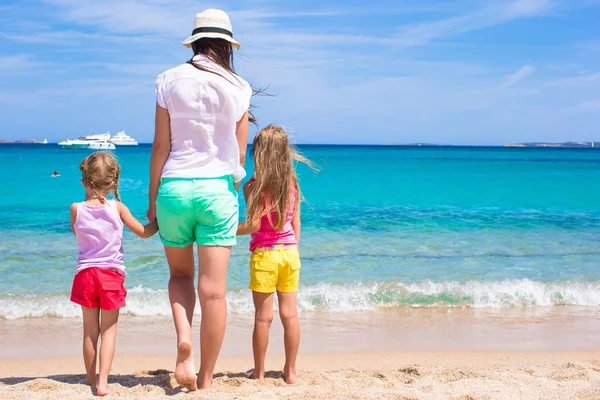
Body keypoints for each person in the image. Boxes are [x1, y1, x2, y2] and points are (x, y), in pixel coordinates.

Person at [147, 9, 252, 390]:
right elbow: (240, 158)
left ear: (193, 41)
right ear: (226, 45)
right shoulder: (239, 86)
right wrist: (229, 195)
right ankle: (205, 380)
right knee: (214, 290)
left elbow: (161, 146)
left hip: (174, 187)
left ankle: (182, 339)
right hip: (217, 189)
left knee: (179, 275)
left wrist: (151, 199)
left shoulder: (167, 80)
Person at [69, 151, 158, 396]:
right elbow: (143, 232)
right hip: (111, 274)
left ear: (84, 181)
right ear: (113, 182)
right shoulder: (118, 208)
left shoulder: (75, 208)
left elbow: (79, 236)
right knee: (108, 331)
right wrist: (159, 220)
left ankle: (89, 378)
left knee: (89, 331)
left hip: (85, 274)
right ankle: (103, 383)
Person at [237, 125, 316, 384]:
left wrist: (224, 231)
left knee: (263, 317)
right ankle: (290, 372)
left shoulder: (252, 187)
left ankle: (259, 372)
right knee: (290, 315)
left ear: (259, 154)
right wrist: (292, 247)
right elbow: (296, 223)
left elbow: (254, 226)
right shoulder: (292, 183)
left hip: (264, 256)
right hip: (290, 254)